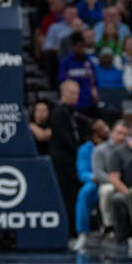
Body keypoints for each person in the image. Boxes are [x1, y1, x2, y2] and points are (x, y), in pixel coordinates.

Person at [72, 120, 110, 251]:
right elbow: (82, 173)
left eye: (106, 126)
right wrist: (95, 177)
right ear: (95, 134)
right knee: (84, 193)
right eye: (103, 127)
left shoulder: (114, 145)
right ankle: (82, 233)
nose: (107, 129)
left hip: (114, 180)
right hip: (95, 182)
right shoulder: (84, 150)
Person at [50, 80, 81, 238]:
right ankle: (68, 232)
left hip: (70, 162)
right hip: (62, 163)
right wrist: (80, 154)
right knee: (66, 197)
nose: (76, 96)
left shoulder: (70, 112)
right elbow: (66, 139)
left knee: (73, 197)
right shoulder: (59, 113)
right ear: (64, 93)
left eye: (77, 93)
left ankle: (73, 229)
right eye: (73, 93)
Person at [94, 121, 128, 239]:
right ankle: (109, 225)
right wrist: (116, 182)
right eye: (119, 133)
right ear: (112, 133)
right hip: (107, 183)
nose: (122, 137)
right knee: (107, 191)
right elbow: (98, 172)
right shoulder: (100, 150)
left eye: (125, 134)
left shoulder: (129, 148)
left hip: (126, 182)